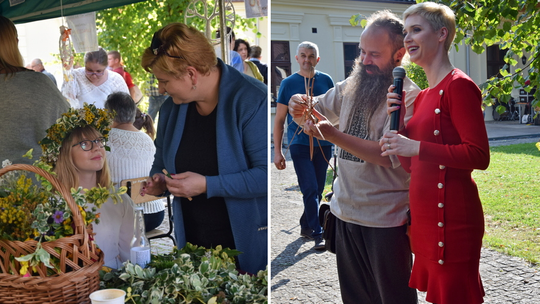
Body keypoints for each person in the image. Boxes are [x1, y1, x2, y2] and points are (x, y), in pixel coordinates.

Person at [289, 10, 420, 303]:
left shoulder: (408, 96)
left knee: (395, 299)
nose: (364, 61)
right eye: (361, 52)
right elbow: (315, 107)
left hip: (386, 221)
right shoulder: (351, 85)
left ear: (399, 55)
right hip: (345, 213)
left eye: (374, 54)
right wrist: (299, 104)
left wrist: (332, 135)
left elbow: (389, 156)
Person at [380, 3, 490, 304]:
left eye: (416, 30)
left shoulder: (460, 86)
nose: (408, 38)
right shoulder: (425, 94)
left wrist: (416, 146)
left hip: (452, 220)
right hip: (426, 221)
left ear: (442, 34)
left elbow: (479, 156)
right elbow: (411, 166)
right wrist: (400, 129)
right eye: (406, 32)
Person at [139, 23, 267, 275]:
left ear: (191, 74)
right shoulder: (170, 109)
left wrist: (208, 185)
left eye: (164, 81)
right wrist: (158, 180)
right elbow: (162, 161)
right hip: (195, 245)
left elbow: (264, 176)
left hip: (244, 245)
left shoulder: (252, 99)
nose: (161, 89)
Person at [41, 104, 135, 269]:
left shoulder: (120, 199)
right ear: (66, 153)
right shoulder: (53, 204)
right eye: (85, 144)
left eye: (99, 141)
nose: (97, 148)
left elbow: (131, 254)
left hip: (114, 286)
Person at [273, 41, 334, 250]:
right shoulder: (289, 83)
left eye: (311, 56)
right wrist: (278, 152)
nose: (307, 59)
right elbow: (279, 120)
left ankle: (306, 224)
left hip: (323, 144)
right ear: (297, 58)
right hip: (298, 144)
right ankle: (318, 233)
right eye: (303, 55)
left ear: (317, 59)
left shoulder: (326, 81)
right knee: (309, 188)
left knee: (317, 189)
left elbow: (334, 113)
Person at [0, 16, 69, 165]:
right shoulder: (38, 83)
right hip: (36, 182)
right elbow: (69, 129)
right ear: (15, 43)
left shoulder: (39, 82)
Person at [105, 92, 165, 232]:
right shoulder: (148, 140)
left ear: (108, 114)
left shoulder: (103, 140)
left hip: (122, 217)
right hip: (155, 214)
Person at [62, 48, 129, 109]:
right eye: (89, 70)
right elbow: (67, 103)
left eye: (99, 71)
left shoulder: (116, 80)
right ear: (85, 65)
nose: (94, 76)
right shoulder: (74, 77)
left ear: (106, 67)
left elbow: (126, 108)